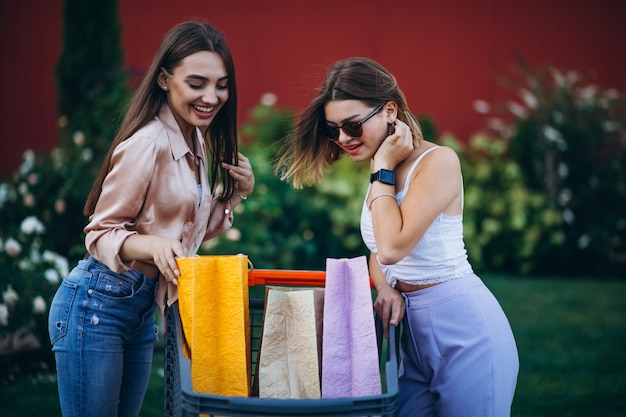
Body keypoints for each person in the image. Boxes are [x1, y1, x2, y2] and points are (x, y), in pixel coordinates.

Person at [275, 57, 518, 417]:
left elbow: (391, 248)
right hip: (414, 336)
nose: (343, 138)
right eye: (334, 129)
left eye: (353, 125)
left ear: (389, 111)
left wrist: (383, 170)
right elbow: (378, 248)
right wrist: (387, 289)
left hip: (465, 330)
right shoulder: (382, 168)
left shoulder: (437, 162)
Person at [47, 21, 254, 417]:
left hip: (141, 308)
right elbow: (101, 232)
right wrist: (155, 245)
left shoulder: (195, 139)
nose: (212, 96)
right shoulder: (148, 142)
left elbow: (187, 236)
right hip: (98, 303)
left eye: (221, 84)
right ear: (164, 78)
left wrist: (237, 194)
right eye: (197, 83)